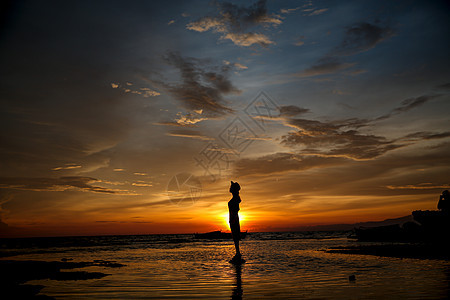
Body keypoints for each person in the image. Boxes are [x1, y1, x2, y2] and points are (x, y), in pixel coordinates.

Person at [228, 181, 242, 262]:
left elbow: (236, 210)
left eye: (231, 187)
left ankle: (238, 253)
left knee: (235, 236)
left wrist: (232, 219)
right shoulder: (235, 199)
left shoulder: (235, 200)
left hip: (234, 219)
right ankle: (237, 253)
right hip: (233, 219)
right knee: (235, 237)